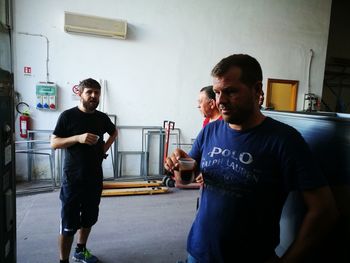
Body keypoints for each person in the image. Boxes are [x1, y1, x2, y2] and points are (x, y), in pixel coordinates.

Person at [165, 54, 338, 262]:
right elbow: (186, 179)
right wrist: (179, 163)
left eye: (231, 91)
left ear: (257, 90)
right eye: (218, 92)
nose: (221, 101)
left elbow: (325, 211)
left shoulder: (285, 141)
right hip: (198, 252)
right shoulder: (210, 132)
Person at [51, 78, 118, 263]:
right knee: (68, 223)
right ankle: (63, 260)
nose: (94, 96)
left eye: (97, 93)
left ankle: (80, 250)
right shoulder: (67, 116)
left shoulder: (102, 118)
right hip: (72, 179)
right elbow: (54, 142)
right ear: (80, 93)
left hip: (94, 177)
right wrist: (77, 138)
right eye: (89, 92)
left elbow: (114, 132)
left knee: (89, 218)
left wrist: (104, 149)